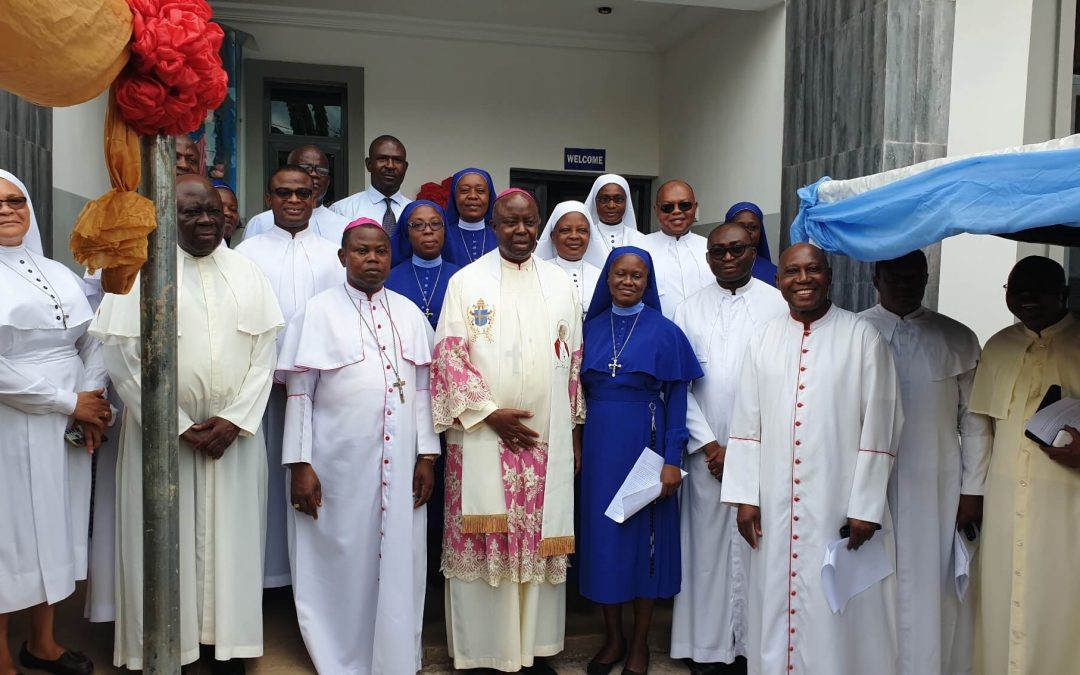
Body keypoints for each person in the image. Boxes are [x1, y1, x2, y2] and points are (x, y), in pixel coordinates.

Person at [91, 175, 284, 673]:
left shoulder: (248, 273)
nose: (205, 221)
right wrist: (175, 423)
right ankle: (165, 648)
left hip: (233, 439)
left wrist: (235, 420)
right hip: (162, 438)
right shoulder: (139, 274)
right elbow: (122, 360)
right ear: (166, 217)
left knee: (234, 545)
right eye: (191, 212)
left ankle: (227, 648)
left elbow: (265, 355)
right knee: (162, 542)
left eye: (213, 213)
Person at [721, 242, 903, 675]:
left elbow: (882, 427)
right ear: (778, 280)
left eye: (813, 270)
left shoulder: (863, 337)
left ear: (829, 276)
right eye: (792, 272)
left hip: (836, 504)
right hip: (774, 504)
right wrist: (746, 497)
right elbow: (746, 423)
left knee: (835, 608)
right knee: (775, 600)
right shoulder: (764, 337)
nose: (803, 280)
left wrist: (865, 505)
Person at [432, 188, 584, 673]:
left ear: (538, 225)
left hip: (545, 441)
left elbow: (574, 361)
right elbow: (449, 357)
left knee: (537, 540)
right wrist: (488, 413)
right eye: (509, 223)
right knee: (486, 539)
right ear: (493, 226)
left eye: (528, 223)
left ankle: (534, 651)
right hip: (481, 436)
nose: (520, 231)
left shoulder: (561, 283)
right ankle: (486, 652)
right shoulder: (465, 281)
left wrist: (573, 428)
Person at [277, 218, 438, 674]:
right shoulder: (317, 312)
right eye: (362, 251)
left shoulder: (409, 312)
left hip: (401, 462)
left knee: (400, 558)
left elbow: (423, 390)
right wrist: (300, 464)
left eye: (381, 251)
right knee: (342, 555)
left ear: (392, 256)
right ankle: (340, 655)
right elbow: (299, 393)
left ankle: (394, 654)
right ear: (343, 256)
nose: (372, 259)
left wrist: (427, 455)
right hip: (338, 467)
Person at [859, 251, 991, 675]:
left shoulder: (957, 336)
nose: (905, 283)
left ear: (927, 278)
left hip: (936, 481)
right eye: (895, 275)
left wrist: (973, 490)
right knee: (869, 580)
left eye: (915, 276)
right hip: (866, 486)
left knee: (931, 583)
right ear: (875, 277)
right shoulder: (853, 331)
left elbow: (974, 422)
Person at [0, 169, 109, 675]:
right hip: (12, 421)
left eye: (15, 201)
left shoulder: (57, 272)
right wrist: (70, 402)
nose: (7, 210)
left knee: (56, 528)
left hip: (64, 420)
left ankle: (41, 643)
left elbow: (94, 338)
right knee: (10, 533)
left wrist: (90, 397)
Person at [578, 247, 702, 675]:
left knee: (645, 543)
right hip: (598, 452)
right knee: (605, 543)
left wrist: (672, 457)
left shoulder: (665, 332)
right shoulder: (588, 329)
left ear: (647, 283)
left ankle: (640, 644)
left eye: (637, 276)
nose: (628, 282)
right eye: (620, 274)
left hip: (646, 447)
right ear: (607, 279)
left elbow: (679, 397)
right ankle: (613, 640)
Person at [670, 223, 787, 674]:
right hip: (707, 456)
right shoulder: (687, 309)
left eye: (736, 249)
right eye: (717, 251)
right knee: (705, 551)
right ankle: (706, 648)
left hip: (763, 449)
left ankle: (751, 648)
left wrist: (746, 446)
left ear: (753, 250)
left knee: (759, 546)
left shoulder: (778, 304)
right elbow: (681, 385)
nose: (726, 257)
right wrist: (710, 444)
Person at [969, 256, 1080, 675]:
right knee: (1001, 598)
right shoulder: (997, 345)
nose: (1028, 298)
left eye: (1041, 288)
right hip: (1003, 503)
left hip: (1069, 505)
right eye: (1019, 289)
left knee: (1060, 599)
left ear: (1064, 293)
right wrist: (973, 496)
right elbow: (981, 430)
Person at [235, 165, 344, 590]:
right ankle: (264, 578)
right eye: (284, 193)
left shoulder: (334, 253)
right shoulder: (246, 254)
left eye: (303, 193)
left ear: (315, 197)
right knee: (259, 482)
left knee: (314, 478)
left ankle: (311, 582)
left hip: (320, 391)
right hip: (258, 389)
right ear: (269, 199)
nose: (294, 201)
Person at [242, 145, 350, 243]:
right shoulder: (260, 222)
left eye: (321, 170)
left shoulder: (344, 226)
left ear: (328, 181)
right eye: (305, 168)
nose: (314, 174)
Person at [642, 181, 713, 318]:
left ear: (695, 207)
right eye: (667, 207)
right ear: (656, 210)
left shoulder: (710, 247)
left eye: (684, 205)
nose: (676, 211)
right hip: (658, 334)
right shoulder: (638, 249)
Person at [386, 200, 460, 329]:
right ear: (406, 232)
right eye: (418, 225)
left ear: (445, 230)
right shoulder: (390, 280)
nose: (428, 231)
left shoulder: (460, 277)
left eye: (435, 224)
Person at [329, 135, 411, 235]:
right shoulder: (342, 210)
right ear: (369, 164)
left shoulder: (415, 212)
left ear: (405, 167)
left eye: (397, 160)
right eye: (382, 159)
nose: (390, 166)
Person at [535, 200, 602, 318]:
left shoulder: (601, 276)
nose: (574, 236)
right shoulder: (537, 274)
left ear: (589, 236)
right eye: (565, 230)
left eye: (582, 230)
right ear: (552, 236)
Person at [582, 174, 646, 268]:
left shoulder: (641, 240)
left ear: (626, 202)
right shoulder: (584, 238)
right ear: (595, 202)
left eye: (618, 199)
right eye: (604, 199)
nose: (611, 205)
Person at [442, 167, 498, 267]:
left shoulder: (501, 236)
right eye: (464, 190)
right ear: (454, 196)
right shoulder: (442, 237)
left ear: (489, 196)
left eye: (480, 191)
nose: (472, 196)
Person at [725, 202, 777, 286]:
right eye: (740, 226)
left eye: (753, 227)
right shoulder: (713, 268)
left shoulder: (774, 274)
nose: (747, 232)